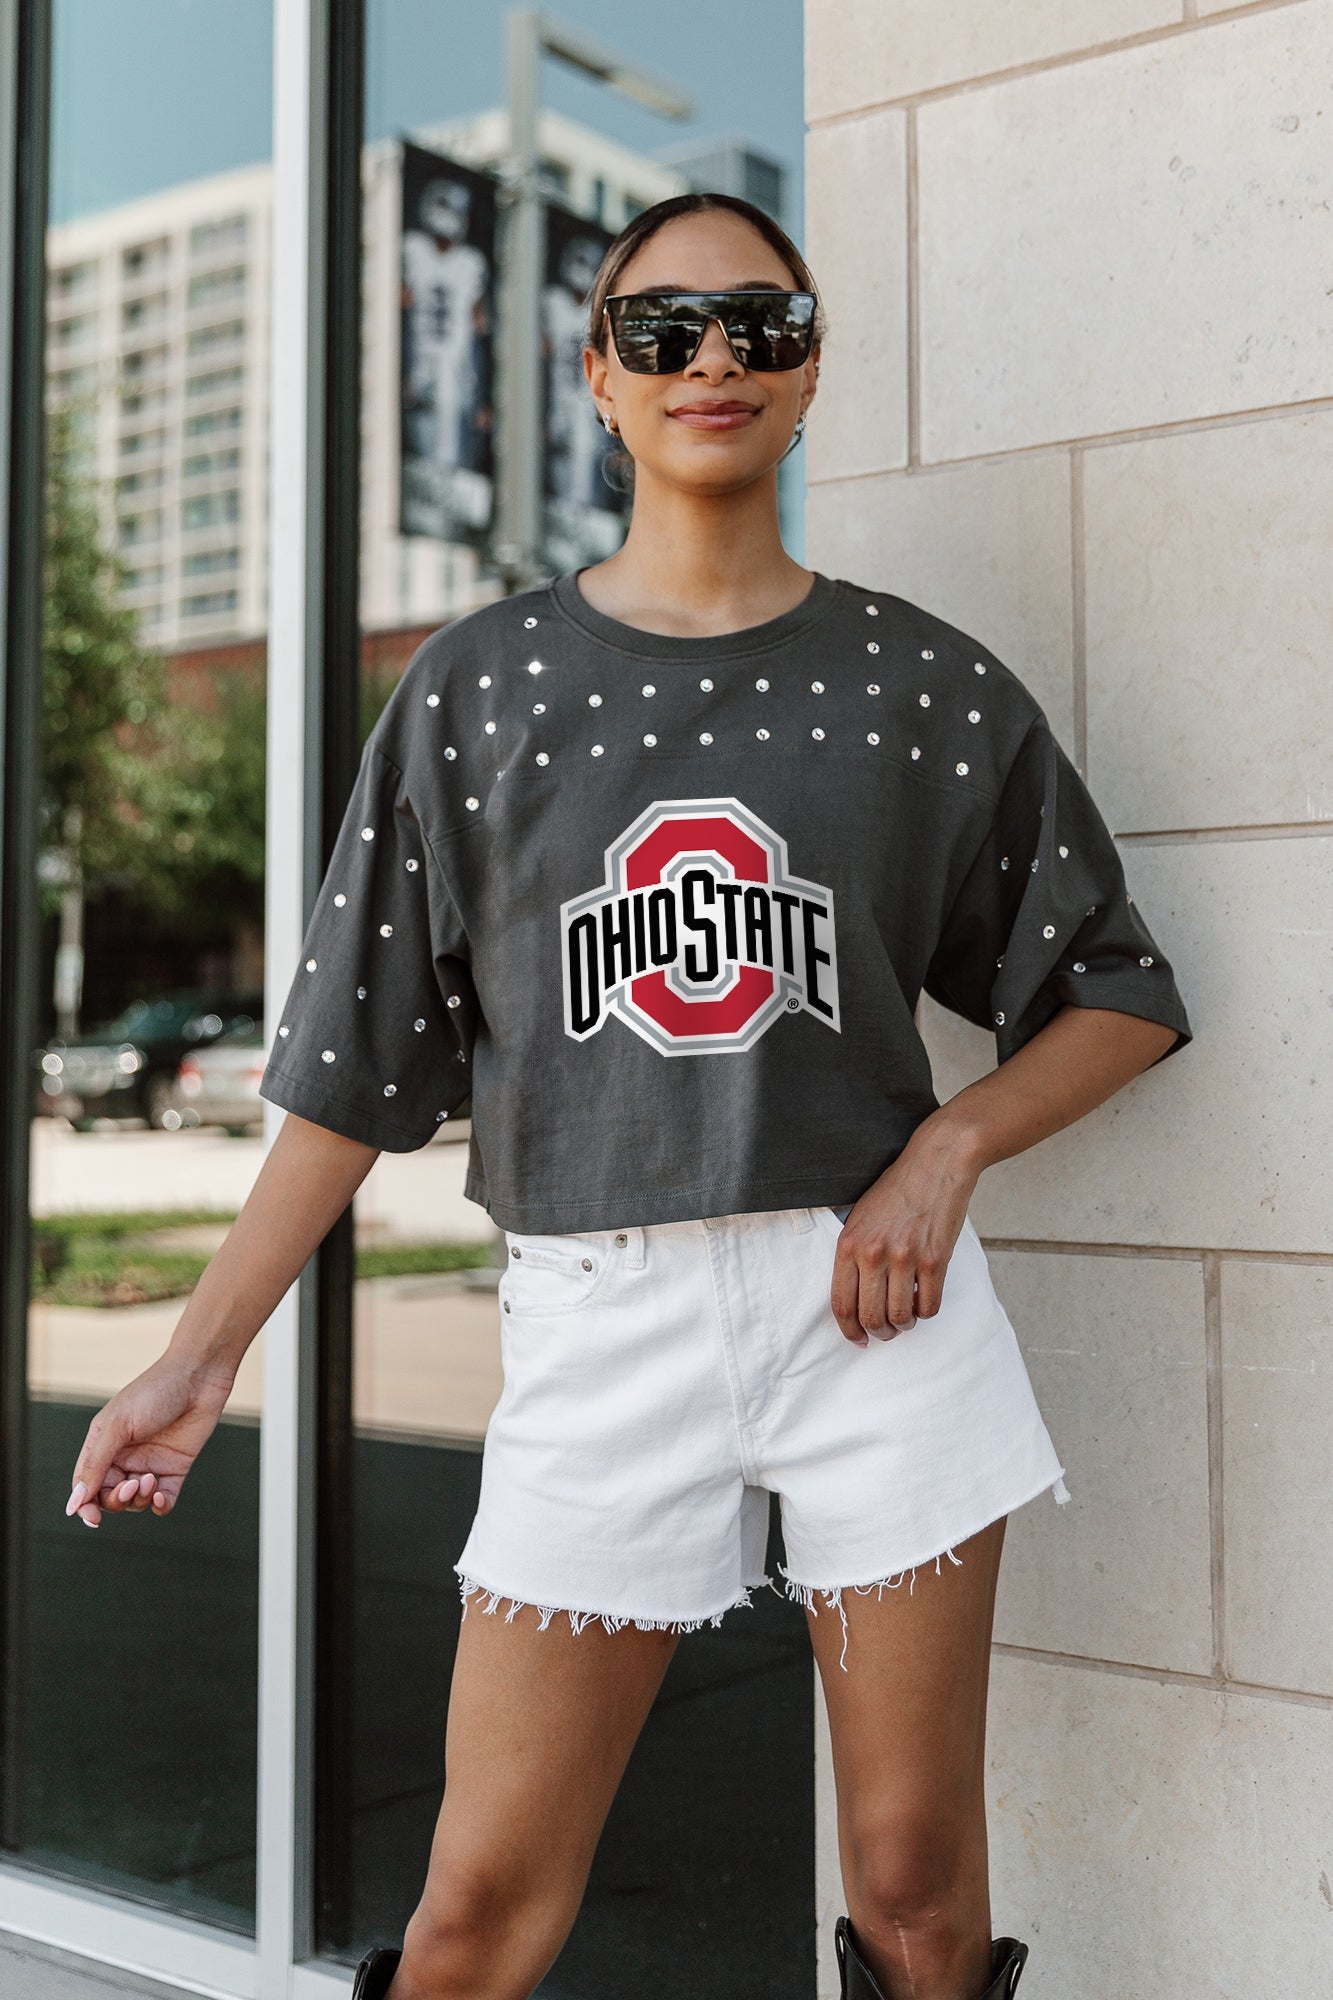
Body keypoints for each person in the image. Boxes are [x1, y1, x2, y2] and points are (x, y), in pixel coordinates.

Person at [64, 192, 1193, 2000]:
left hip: (877, 1322)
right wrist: (203, 1355)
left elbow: (1118, 992)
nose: (712, 359)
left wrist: (950, 1148)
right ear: (597, 379)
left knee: (912, 1892)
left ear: (810, 362)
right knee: (475, 1913)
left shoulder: (919, 686)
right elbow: (359, 1069)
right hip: (600, 1322)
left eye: (758, 319)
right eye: (659, 330)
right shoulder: (478, 689)